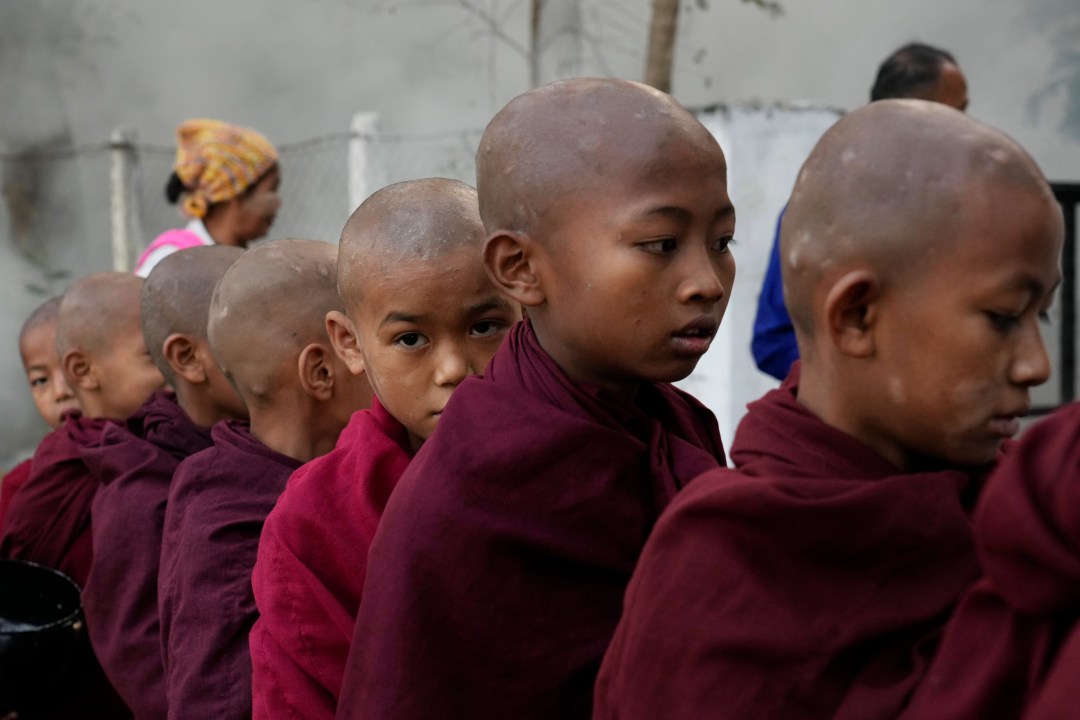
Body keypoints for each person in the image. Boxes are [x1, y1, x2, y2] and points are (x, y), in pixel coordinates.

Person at [593, 99, 1061, 720]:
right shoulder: (724, 566)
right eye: (1004, 317)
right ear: (857, 316)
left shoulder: (1028, 520)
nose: (1038, 365)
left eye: (1043, 315)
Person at [336, 77, 731, 720]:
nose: (706, 282)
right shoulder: (469, 495)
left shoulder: (677, 423)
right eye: (661, 245)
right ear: (520, 269)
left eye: (721, 242)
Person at [249, 178, 520, 720]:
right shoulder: (317, 518)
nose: (453, 371)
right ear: (349, 344)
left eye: (485, 327)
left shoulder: (595, 459)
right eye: (411, 340)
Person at [158, 239, 371, 720]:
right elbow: (218, 697)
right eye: (364, 344)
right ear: (320, 370)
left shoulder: (225, 471)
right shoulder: (240, 516)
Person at [81, 246, 247, 720]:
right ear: (187, 357)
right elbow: (143, 663)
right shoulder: (143, 491)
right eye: (250, 327)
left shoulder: (268, 443)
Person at [752, 42, 969, 380]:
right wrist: (872, 375)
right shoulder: (822, 207)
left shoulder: (967, 205)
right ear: (909, 115)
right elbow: (773, 341)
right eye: (955, 115)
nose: (968, 131)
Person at [896, 399, 1080, 720]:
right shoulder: (1033, 495)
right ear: (850, 343)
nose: (1036, 368)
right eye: (999, 343)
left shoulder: (1043, 492)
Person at [0, 272, 164, 586]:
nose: (61, 390)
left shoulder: (154, 451)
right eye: (40, 380)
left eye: (69, 372)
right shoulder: (27, 481)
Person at [133, 118, 280, 278]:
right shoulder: (174, 262)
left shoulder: (250, 263)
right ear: (235, 193)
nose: (278, 203)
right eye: (272, 190)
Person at [0, 296, 80, 530]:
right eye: (41, 380)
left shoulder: (142, 462)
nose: (60, 392)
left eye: (77, 369)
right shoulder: (22, 485)